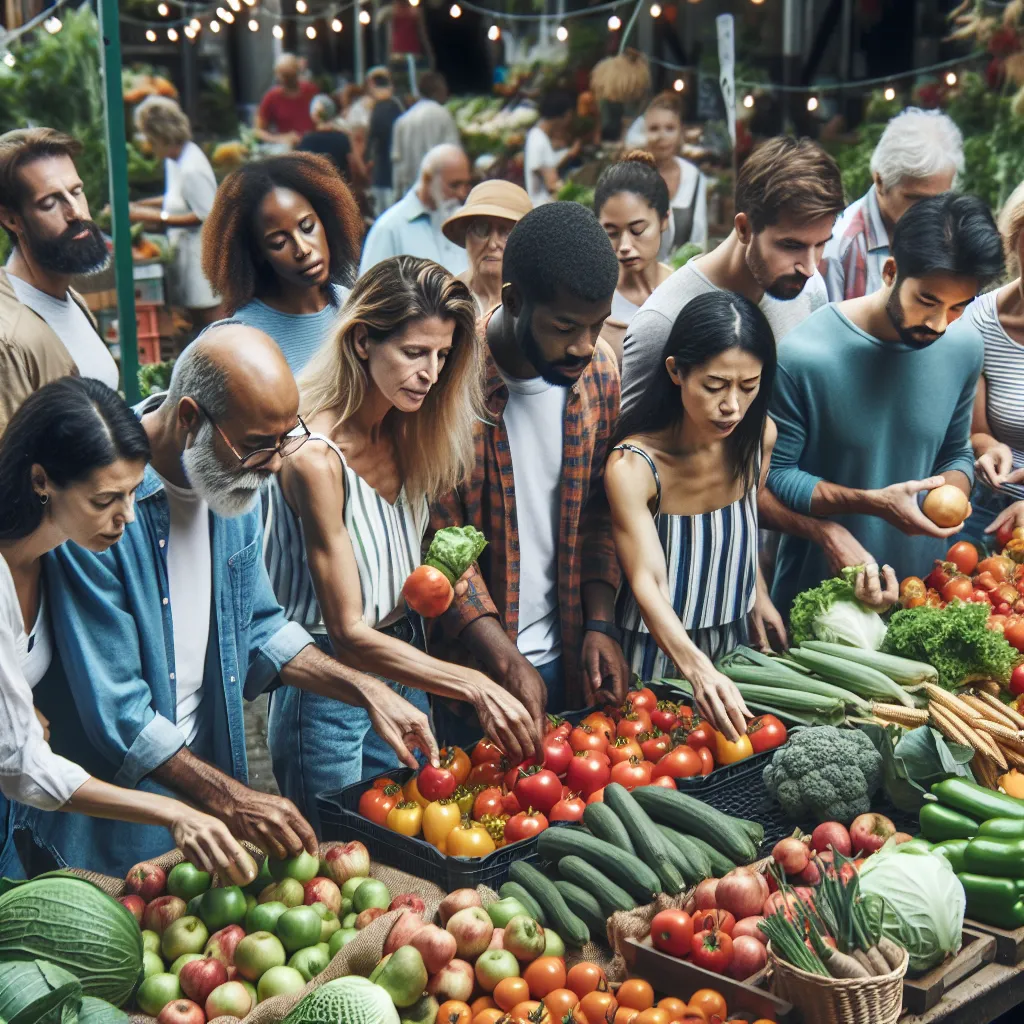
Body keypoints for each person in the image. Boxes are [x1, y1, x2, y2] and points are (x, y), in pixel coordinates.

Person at [34, 325, 438, 873]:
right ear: (189, 419)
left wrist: (365, 688)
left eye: (283, 439)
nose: (275, 463)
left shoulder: (232, 480)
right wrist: (230, 799)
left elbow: (260, 630)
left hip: (206, 793)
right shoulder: (97, 507)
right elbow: (120, 716)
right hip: (120, 827)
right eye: (256, 445)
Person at [264, 257, 539, 829]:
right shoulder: (315, 457)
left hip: (406, 661)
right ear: (363, 340)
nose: (431, 373)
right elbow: (348, 632)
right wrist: (474, 682)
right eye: (414, 353)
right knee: (343, 855)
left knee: (416, 840)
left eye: (442, 355)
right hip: (329, 687)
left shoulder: (411, 431)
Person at [0, 377, 256, 882]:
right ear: (40, 481)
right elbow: (23, 766)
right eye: (104, 501)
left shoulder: (53, 555)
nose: (127, 518)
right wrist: (175, 811)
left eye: (135, 492)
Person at [431, 202, 630, 735]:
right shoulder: (447, 381)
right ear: (514, 300)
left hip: (570, 659)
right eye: (565, 327)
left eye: (598, 324)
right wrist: (503, 656)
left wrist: (600, 622)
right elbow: (439, 541)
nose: (584, 346)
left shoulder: (602, 373)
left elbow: (600, 511)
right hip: (472, 675)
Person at [767, 193, 1005, 618]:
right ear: (890, 271)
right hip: (822, 603)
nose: (939, 324)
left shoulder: (965, 345)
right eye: (928, 301)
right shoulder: (804, 355)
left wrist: (955, 494)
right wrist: (872, 501)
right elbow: (776, 476)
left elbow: (955, 449)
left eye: (958, 307)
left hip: (924, 597)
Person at [606, 292, 785, 739]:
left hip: (732, 641)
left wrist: (757, 592)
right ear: (675, 372)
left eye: (749, 386)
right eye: (715, 385)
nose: (732, 407)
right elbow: (648, 580)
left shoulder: (758, 436)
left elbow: (745, 525)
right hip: (657, 654)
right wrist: (697, 670)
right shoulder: (633, 467)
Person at [620, 136, 845, 420]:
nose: (810, 267)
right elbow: (632, 454)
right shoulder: (662, 321)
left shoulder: (810, 290)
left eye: (821, 243)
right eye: (791, 245)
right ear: (744, 228)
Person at [0, 127, 118, 433]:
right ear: (11, 219)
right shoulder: (7, 338)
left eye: (76, 191)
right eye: (50, 203)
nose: (76, 212)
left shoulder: (67, 297)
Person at [202, 153, 361, 377]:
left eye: (307, 227)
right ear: (257, 253)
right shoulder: (239, 337)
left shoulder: (353, 307)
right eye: (279, 242)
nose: (303, 249)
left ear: (326, 220)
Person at [944, 181, 1024, 541]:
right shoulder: (978, 321)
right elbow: (976, 430)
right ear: (1011, 243)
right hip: (990, 511)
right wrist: (990, 448)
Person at [822, 108, 963, 301]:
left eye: (939, 200)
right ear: (880, 181)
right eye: (915, 198)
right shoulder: (842, 247)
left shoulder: (953, 230)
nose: (929, 211)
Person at [129, 97, 222, 332]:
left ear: (161, 135)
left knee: (208, 322)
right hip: (183, 254)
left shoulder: (192, 168)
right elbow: (174, 198)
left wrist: (153, 217)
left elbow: (205, 215)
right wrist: (137, 205)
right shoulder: (175, 160)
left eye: (150, 139)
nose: (149, 145)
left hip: (199, 259)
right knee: (192, 321)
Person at [594, 151, 674, 361]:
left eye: (637, 229)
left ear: (664, 219)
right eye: (611, 233)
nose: (625, 246)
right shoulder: (592, 303)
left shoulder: (682, 290)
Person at [360, 144, 471, 276]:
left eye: (466, 184)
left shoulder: (462, 223)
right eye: (454, 185)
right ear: (427, 179)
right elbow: (369, 290)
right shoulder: (390, 228)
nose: (462, 193)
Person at [442, 180, 532, 315]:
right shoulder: (446, 299)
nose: (492, 244)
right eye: (481, 229)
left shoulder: (538, 301)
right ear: (466, 236)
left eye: (507, 232)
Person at [642, 92, 708, 262]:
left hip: (683, 276)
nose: (662, 136)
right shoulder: (634, 174)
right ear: (644, 133)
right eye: (654, 129)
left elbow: (699, 238)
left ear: (680, 133)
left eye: (670, 128)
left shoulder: (693, 176)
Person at [390, 71, 459, 198]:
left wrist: (397, 195)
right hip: (439, 191)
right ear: (437, 91)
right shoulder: (443, 115)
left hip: (411, 192)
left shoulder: (403, 120)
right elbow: (454, 154)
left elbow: (397, 162)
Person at [297, 95, 368, 188]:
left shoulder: (306, 140)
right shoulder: (343, 138)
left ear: (313, 115)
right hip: (339, 189)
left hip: (314, 189)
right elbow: (354, 165)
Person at [523, 90, 579, 207]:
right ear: (567, 115)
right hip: (542, 208)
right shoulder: (539, 141)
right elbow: (552, 184)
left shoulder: (536, 135)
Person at [254, 54, 319, 147]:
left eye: (290, 75)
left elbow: (325, 119)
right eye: (284, 75)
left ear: (297, 71)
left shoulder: (311, 90)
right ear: (277, 74)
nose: (287, 79)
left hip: (314, 145)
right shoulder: (271, 97)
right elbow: (258, 131)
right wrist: (280, 139)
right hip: (289, 150)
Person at [365, 68, 404, 216]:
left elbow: (372, 140)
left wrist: (367, 160)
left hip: (383, 174)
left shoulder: (380, 108)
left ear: (372, 85)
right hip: (395, 171)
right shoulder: (398, 105)